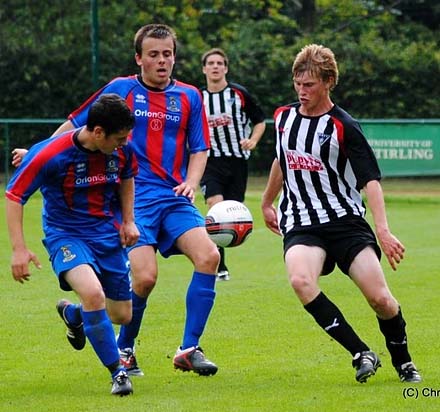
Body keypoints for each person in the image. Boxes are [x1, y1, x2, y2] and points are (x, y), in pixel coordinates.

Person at [13, 24, 220, 377]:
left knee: (210, 255)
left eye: (167, 54)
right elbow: (76, 126)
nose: (162, 61)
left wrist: (191, 181)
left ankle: (189, 348)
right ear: (138, 58)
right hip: (132, 197)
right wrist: (35, 152)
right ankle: (120, 345)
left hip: (173, 197)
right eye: (153, 54)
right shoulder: (120, 90)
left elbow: (199, 147)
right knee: (145, 279)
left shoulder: (189, 96)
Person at [261, 44, 422, 384]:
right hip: (302, 222)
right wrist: (266, 202)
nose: (301, 92)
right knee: (301, 280)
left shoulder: (344, 126)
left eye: (310, 85)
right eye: (297, 84)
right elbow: (281, 159)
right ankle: (361, 352)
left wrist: (383, 229)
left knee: (381, 299)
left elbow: (371, 181)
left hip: (346, 223)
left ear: (329, 81)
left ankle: (403, 361)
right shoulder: (283, 119)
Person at [6, 94, 139, 396]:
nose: (123, 143)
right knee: (93, 294)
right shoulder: (49, 154)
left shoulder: (123, 150)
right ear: (97, 132)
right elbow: (15, 196)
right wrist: (19, 248)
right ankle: (118, 373)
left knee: (121, 315)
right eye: (118, 138)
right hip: (65, 234)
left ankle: (75, 315)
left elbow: (128, 178)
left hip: (106, 234)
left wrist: (129, 221)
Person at [200, 48, 266, 281]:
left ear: (226, 68)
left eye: (220, 63)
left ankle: (222, 256)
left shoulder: (239, 94)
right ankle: (219, 265)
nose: (215, 66)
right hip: (210, 161)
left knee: (231, 212)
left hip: (237, 162)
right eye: (211, 63)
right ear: (204, 69)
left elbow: (259, 122)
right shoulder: (198, 98)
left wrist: (253, 140)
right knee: (215, 206)